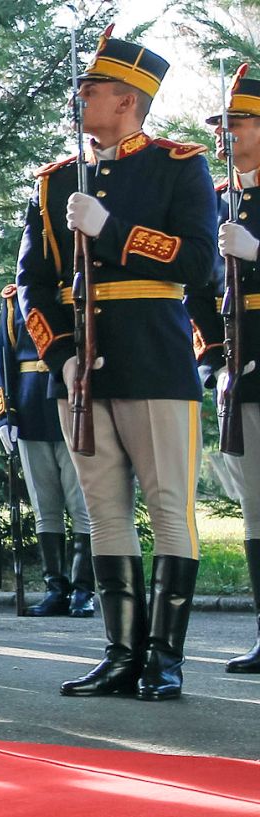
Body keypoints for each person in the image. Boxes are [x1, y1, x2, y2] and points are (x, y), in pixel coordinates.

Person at [17, 33, 217, 701]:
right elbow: (32, 285)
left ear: (128, 101)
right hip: (87, 371)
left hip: (158, 358)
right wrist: (63, 356)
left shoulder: (177, 166)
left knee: (166, 508)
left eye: (92, 89)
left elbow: (199, 265)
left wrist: (113, 231)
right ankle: (121, 652)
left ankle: (164, 656)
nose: (81, 98)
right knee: (103, 512)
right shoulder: (54, 181)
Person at [0, 283, 92, 617]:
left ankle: (83, 590)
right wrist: (3, 415)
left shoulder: (75, 291)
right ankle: (56, 588)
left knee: (81, 505)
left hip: (72, 403)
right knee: (44, 507)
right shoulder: (12, 302)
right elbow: (3, 360)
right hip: (31, 408)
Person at [211, 62, 260, 673]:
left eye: (239, 121)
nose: (227, 132)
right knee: (255, 504)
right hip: (240, 365)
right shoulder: (220, 196)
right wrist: (209, 357)